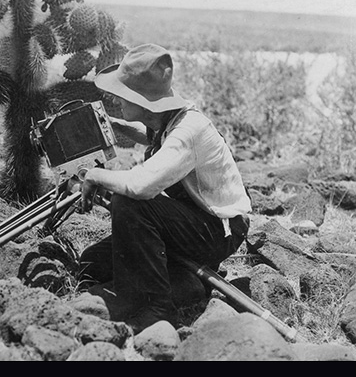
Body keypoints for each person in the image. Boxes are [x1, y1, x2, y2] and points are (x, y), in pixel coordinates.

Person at [77, 43, 251, 334]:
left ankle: (159, 310)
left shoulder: (188, 130)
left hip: (220, 230)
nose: (115, 99)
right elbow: (156, 138)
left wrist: (94, 175)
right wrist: (119, 127)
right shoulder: (167, 119)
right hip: (197, 219)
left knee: (130, 204)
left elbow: (140, 186)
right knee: (93, 263)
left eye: (122, 94)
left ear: (143, 101)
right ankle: (181, 282)